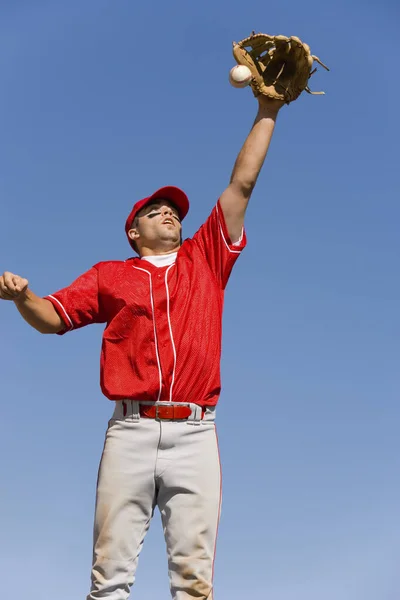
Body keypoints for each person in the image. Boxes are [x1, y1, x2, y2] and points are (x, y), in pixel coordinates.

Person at [0, 94, 283, 599]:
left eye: (174, 210)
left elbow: (242, 183)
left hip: (195, 433)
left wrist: (268, 110)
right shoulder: (110, 275)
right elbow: (51, 319)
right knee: (109, 577)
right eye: (156, 212)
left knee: (193, 581)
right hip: (129, 430)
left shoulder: (206, 258)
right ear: (135, 232)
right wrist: (24, 297)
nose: (170, 214)